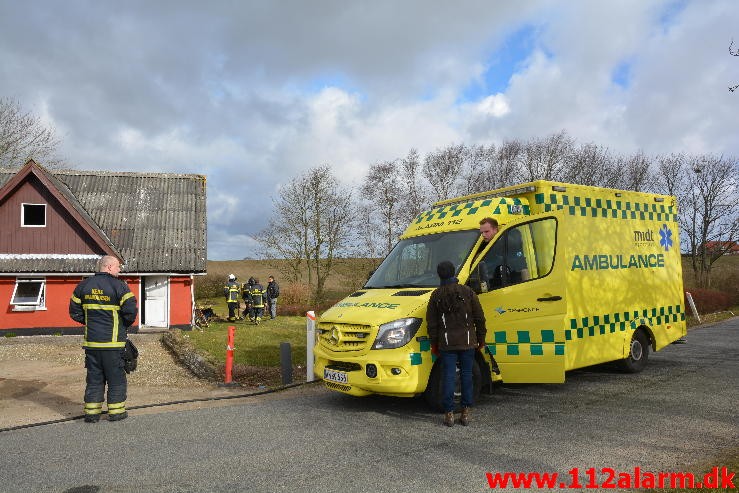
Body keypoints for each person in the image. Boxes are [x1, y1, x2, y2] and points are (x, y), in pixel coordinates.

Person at [69, 255, 138, 423]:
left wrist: (90, 321)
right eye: (118, 267)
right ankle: (116, 412)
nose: (119, 270)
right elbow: (130, 312)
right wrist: (122, 325)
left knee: (94, 379)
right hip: (113, 344)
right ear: (109, 267)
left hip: (92, 345)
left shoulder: (83, 286)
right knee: (116, 379)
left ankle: (92, 414)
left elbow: (74, 312)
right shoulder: (120, 286)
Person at [426, 260, 486, 427]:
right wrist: (481, 339)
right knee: (467, 376)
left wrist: (434, 343)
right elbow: (479, 318)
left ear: (439, 274)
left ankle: (449, 414)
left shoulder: (436, 295)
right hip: (468, 343)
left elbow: (432, 324)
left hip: (446, 344)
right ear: (454, 273)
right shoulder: (468, 292)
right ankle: (465, 413)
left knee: (449, 377)